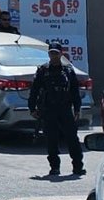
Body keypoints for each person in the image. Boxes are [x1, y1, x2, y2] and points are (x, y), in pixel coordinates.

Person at [28, 42, 84, 177]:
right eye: (51, 53)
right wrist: (32, 108)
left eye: (56, 53)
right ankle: (54, 167)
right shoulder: (43, 70)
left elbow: (75, 92)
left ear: (61, 54)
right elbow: (34, 91)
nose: (54, 56)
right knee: (51, 140)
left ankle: (77, 166)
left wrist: (77, 109)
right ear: (48, 54)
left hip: (65, 109)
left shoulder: (68, 71)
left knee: (72, 139)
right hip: (49, 109)